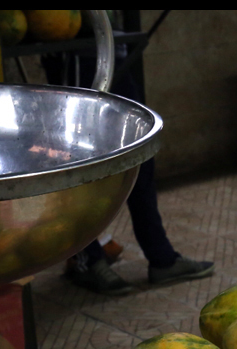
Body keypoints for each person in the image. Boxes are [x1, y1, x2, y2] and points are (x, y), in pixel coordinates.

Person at [43, 42, 213, 296]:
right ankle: (88, 260)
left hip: (115, 54)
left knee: (138, 155)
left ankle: (162, 257)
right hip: (78, 56)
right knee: (81, 166)